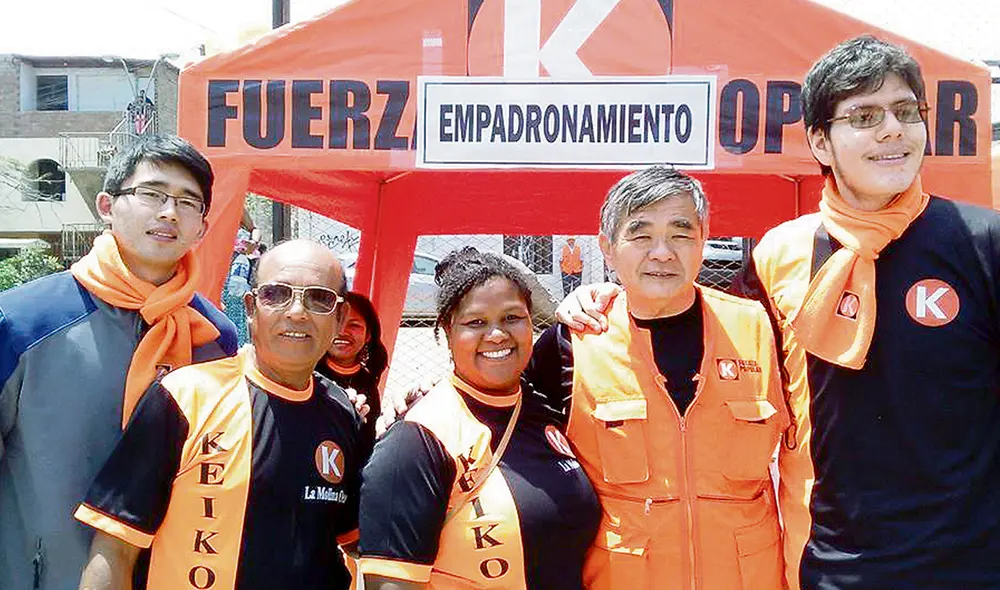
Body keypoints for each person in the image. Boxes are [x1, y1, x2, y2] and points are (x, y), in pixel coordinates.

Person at [559, 36, 1000, 590]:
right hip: (830, 563)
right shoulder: (779, 255)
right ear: (820, 141)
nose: (892, 130)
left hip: (969, 564)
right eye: (865, 116)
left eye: (906, 111)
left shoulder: (982, 244)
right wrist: (603, 301)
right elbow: (698, 329)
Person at [531, 166, 790, 589]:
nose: (662, 252)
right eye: (641, 235)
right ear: (607, 248)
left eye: (680, 233)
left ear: (703, 241)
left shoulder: (760, 329)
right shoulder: (573, 342)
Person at [0, 134, 237, 590]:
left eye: (188, 202)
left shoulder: (213, 337)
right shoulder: (23, 321)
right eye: (152, 194)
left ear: (202, 227)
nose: (169, 212)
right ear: (107, 206)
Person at [75, 240, 366, 590]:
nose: (297, 312)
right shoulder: (185, 398)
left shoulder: (343, 412)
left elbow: (359, 539)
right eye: (276, 294)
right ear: (251, 307)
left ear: (339, 318)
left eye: (318, 299)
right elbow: (115, 548)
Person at [358, 247, 601, 589]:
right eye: (476, 322)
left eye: (512, 317)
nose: (497, 334)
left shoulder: (547, 410)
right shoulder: (416, 441)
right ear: (448, 331)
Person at [315, 291, 388, 448]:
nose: (342, 331)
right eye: (335, 323)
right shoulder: (309, 374)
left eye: (354, 325)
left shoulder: (368, 384)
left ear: (368, 335)